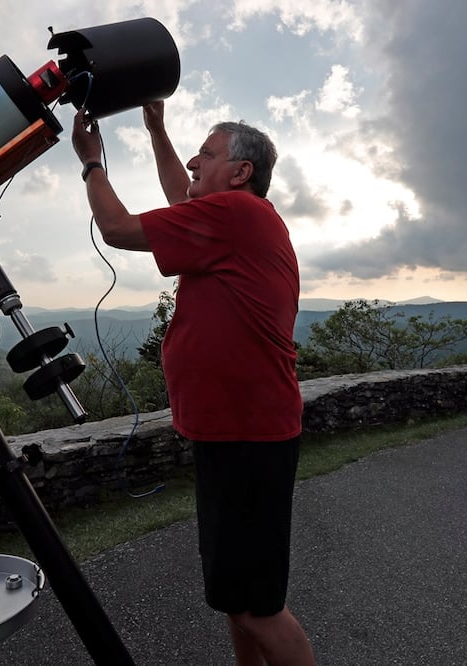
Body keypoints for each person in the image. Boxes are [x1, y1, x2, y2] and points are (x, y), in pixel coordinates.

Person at [70, 101, 316, 666]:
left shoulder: (237, 214)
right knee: (237, 597)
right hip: (232, 434)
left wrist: (91, 163)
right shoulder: (230, 217)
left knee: (259, 606)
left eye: (206, 154)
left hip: (250, 438)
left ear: (240, 172)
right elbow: (182, 193)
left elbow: (116, 229)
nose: (192, 162)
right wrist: (155, 129)